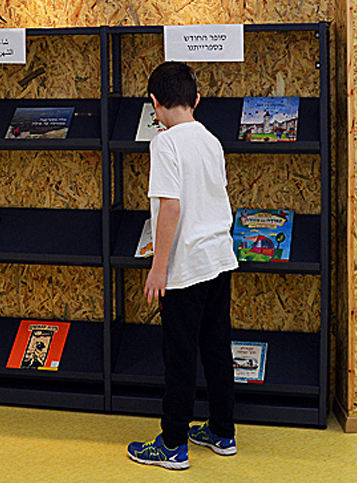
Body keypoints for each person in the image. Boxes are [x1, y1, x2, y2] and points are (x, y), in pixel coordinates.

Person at [127, 61, 238, 470]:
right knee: (216, 348)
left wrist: (159, 269)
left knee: (179, 355)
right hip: (219, 258)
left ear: (154, 103)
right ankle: (223, 432)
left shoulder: (165, 144)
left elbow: (170, 207)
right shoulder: (210, 139)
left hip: (187, 267)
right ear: (197, 99)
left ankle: (173, 443)